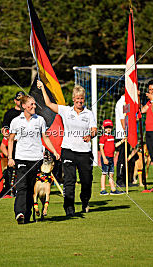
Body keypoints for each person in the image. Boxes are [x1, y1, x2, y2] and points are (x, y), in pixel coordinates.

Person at [38, 80, 97, 216]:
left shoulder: (88, 113)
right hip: (68, 150)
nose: (79, 101)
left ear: (84, 99)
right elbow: (49, 104)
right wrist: (42, 89)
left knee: (86, 181)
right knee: (69, 180)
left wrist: (90, 135)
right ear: (73, 99)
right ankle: (69, 208)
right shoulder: (66, 110)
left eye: (81, 98)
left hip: (84, 152)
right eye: (77, 98)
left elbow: (94, 129)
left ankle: (85, 200)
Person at [7, 95, 60, 224]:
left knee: (31, 188)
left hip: (36, 159)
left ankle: (27, 215)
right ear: (23, 105)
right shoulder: (15, 121)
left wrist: (54, 151)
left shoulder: (40, 120)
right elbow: (10, 140)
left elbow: (46, 137)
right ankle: (19, 213)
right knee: (22, 186)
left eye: (35, 104)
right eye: (31, 104)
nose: (34, 106)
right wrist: (10, 157)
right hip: (21, 158)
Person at [99, 119, 123, 195]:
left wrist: (122, 141)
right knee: (104, 173)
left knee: (111, 174)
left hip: (111, 157)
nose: (108, 129)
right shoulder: (103, 137)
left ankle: (113, 189)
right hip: (106, 157)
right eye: (106, 127)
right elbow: (101, 148)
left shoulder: (112, 137)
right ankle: (103, 190)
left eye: (110, 127)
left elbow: (114, 146)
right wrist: (104, 158)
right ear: (103, 128)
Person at [114, 94, 129, 187]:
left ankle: (126, 179)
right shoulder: (121, 102)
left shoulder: (126, 102)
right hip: (122, 134)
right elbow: (122, 119)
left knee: (127, 157)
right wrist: (126, 132)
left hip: (126, 133)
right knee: (122, 158)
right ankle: (119, 180)